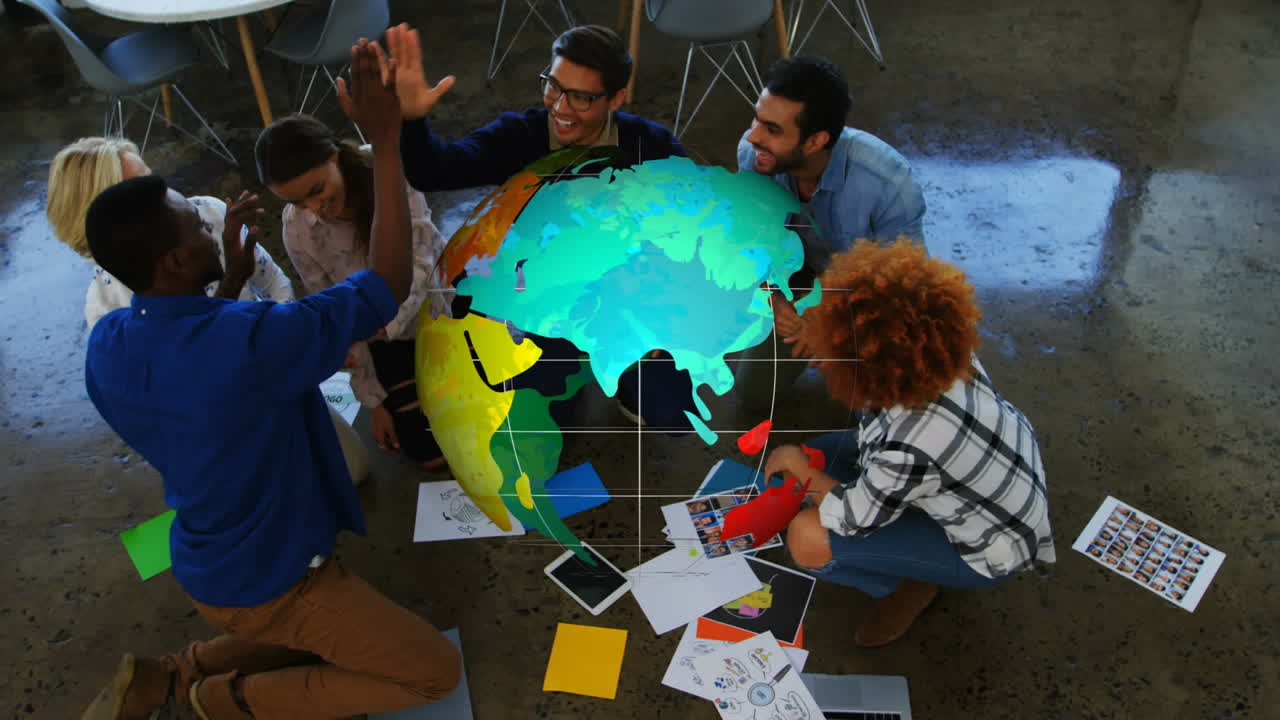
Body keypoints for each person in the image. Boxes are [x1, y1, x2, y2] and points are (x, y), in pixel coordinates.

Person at [79, 42, 460, 720]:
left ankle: (172, 671)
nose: (209, 220)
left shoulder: (108, 343)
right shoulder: (251, 343)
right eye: (196, 223)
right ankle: (220, 701)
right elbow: (387, 284)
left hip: (209, 562)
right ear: (172, 261)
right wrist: (387, 142)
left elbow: (194, 365)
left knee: (276, 624)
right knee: (433, 672)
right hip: (274, 581)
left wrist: (223, 281)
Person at [385, 22, 695, 429]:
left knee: (662, 408)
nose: (561, 108)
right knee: (549, 419)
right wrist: (410, 120)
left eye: (582, 97)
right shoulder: (519, 136)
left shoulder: (652, 149)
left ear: (617, 98)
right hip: (546, 301)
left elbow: (691, 235)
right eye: (553, 85)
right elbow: (433, 172)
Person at [764, 240, 1055, 648]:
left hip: (988, 548)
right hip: (975, 482)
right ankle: (907, 554)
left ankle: (906, 585)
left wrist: (799, 467)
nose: (817, 354)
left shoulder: (909, 444)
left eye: (830, 345)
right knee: (819, 458)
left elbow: (851, 517)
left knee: (807, 535)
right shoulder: (932, 355)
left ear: (866, 363)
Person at [45, 136, 372, 486]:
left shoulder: (210, 215)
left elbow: (273, 286)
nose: (175, 198)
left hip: (279, 382)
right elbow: (199, 383)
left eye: (155, 179)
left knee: (354, 471)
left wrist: (291, 347)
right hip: (228, 433)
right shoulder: (108, 318)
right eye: (142, 189)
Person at [255, 113, 454, 469]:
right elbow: (334, 315)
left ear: (333, 156)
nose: (313, 208)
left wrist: (380, 322)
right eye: (298, 202)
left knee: (486, 413)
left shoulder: (386, 171)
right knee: (429, 454)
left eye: (316, 191)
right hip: (382, 339)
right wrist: (374, 403)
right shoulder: (297, 228)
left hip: (437, 305)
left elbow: (424, 264)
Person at [734, 57, 928, 409]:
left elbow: (905, 292)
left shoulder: (889, 186)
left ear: (815, 141)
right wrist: (772, 297)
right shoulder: (754, 157)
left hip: (865, 296)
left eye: (772, 130)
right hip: (799, 277)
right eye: (756, 118)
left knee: (886, 397)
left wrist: (831, 322)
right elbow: (752, 243)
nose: (753, 136)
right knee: (753, 393)